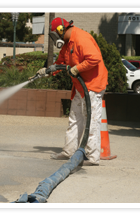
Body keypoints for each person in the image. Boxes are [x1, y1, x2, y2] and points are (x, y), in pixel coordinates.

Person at [36, 17, 108, 165]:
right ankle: (68, 151)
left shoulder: (81, 38)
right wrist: (47, 71)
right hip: (80, 86)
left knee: (91, 120)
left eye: (55, 34)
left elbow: (94, 58)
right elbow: (60, 64)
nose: (55, 37)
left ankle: (93, 157)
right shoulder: (67, 45)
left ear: (61, 30)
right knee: (74, 119)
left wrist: (77, 68)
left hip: (93, 85)